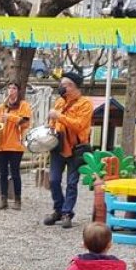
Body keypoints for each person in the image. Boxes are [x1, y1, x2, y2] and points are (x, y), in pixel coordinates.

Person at [43, 71, 94, 228]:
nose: (61, 87)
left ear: (73, 86)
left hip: (76, 148)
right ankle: (58, 209)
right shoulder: (59, 102)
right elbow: (53, 123)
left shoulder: (85, 104)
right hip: (58, 147)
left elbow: (79, 125)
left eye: (64, 85)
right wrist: (48, 128)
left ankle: (67, 213)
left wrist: (59, 117)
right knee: (53, 180)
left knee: (72, 182)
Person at [0, 82, 32, 211]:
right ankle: (3, 200)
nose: (11, 90)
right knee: (2, 173)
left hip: (16, 145)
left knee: (15, 173)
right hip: (2, 145)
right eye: (9, 88)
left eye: (14, 88)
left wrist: (10, 117)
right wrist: (0, 123)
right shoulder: (1, 107)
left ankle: (17, 200)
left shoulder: (24, 105)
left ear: (18, 91)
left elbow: (25, 122)